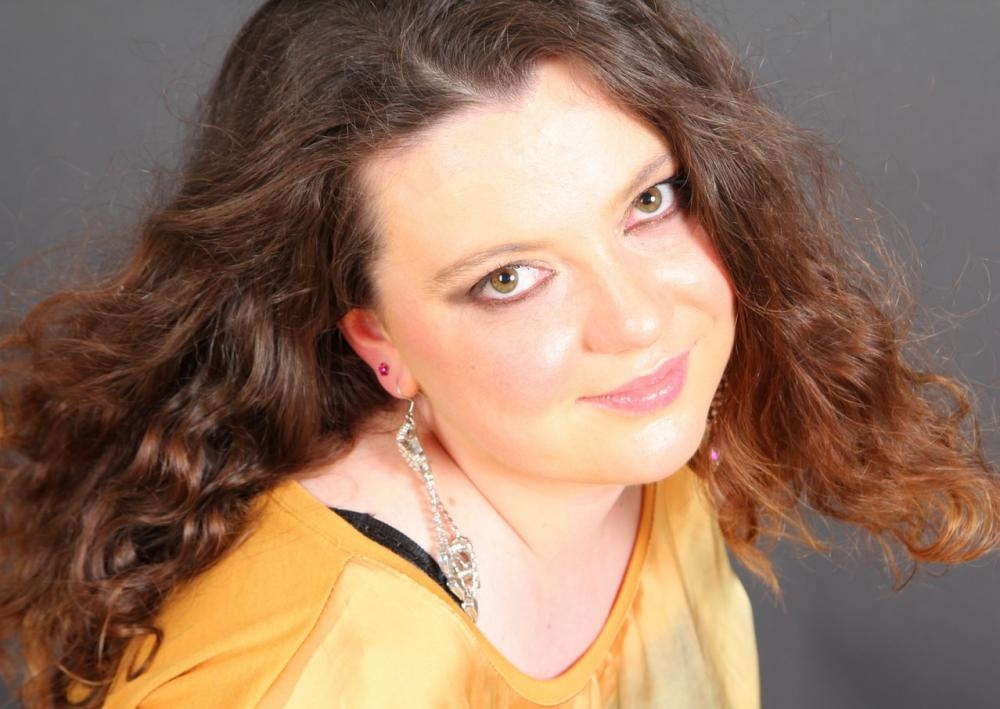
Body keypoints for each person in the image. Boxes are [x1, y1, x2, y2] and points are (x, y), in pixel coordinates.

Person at [1, 0, 997, 706]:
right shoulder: (300, 671)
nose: (638, 321)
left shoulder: (642, 461)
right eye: (509, 278)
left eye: (649, 202)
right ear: (379, 342)